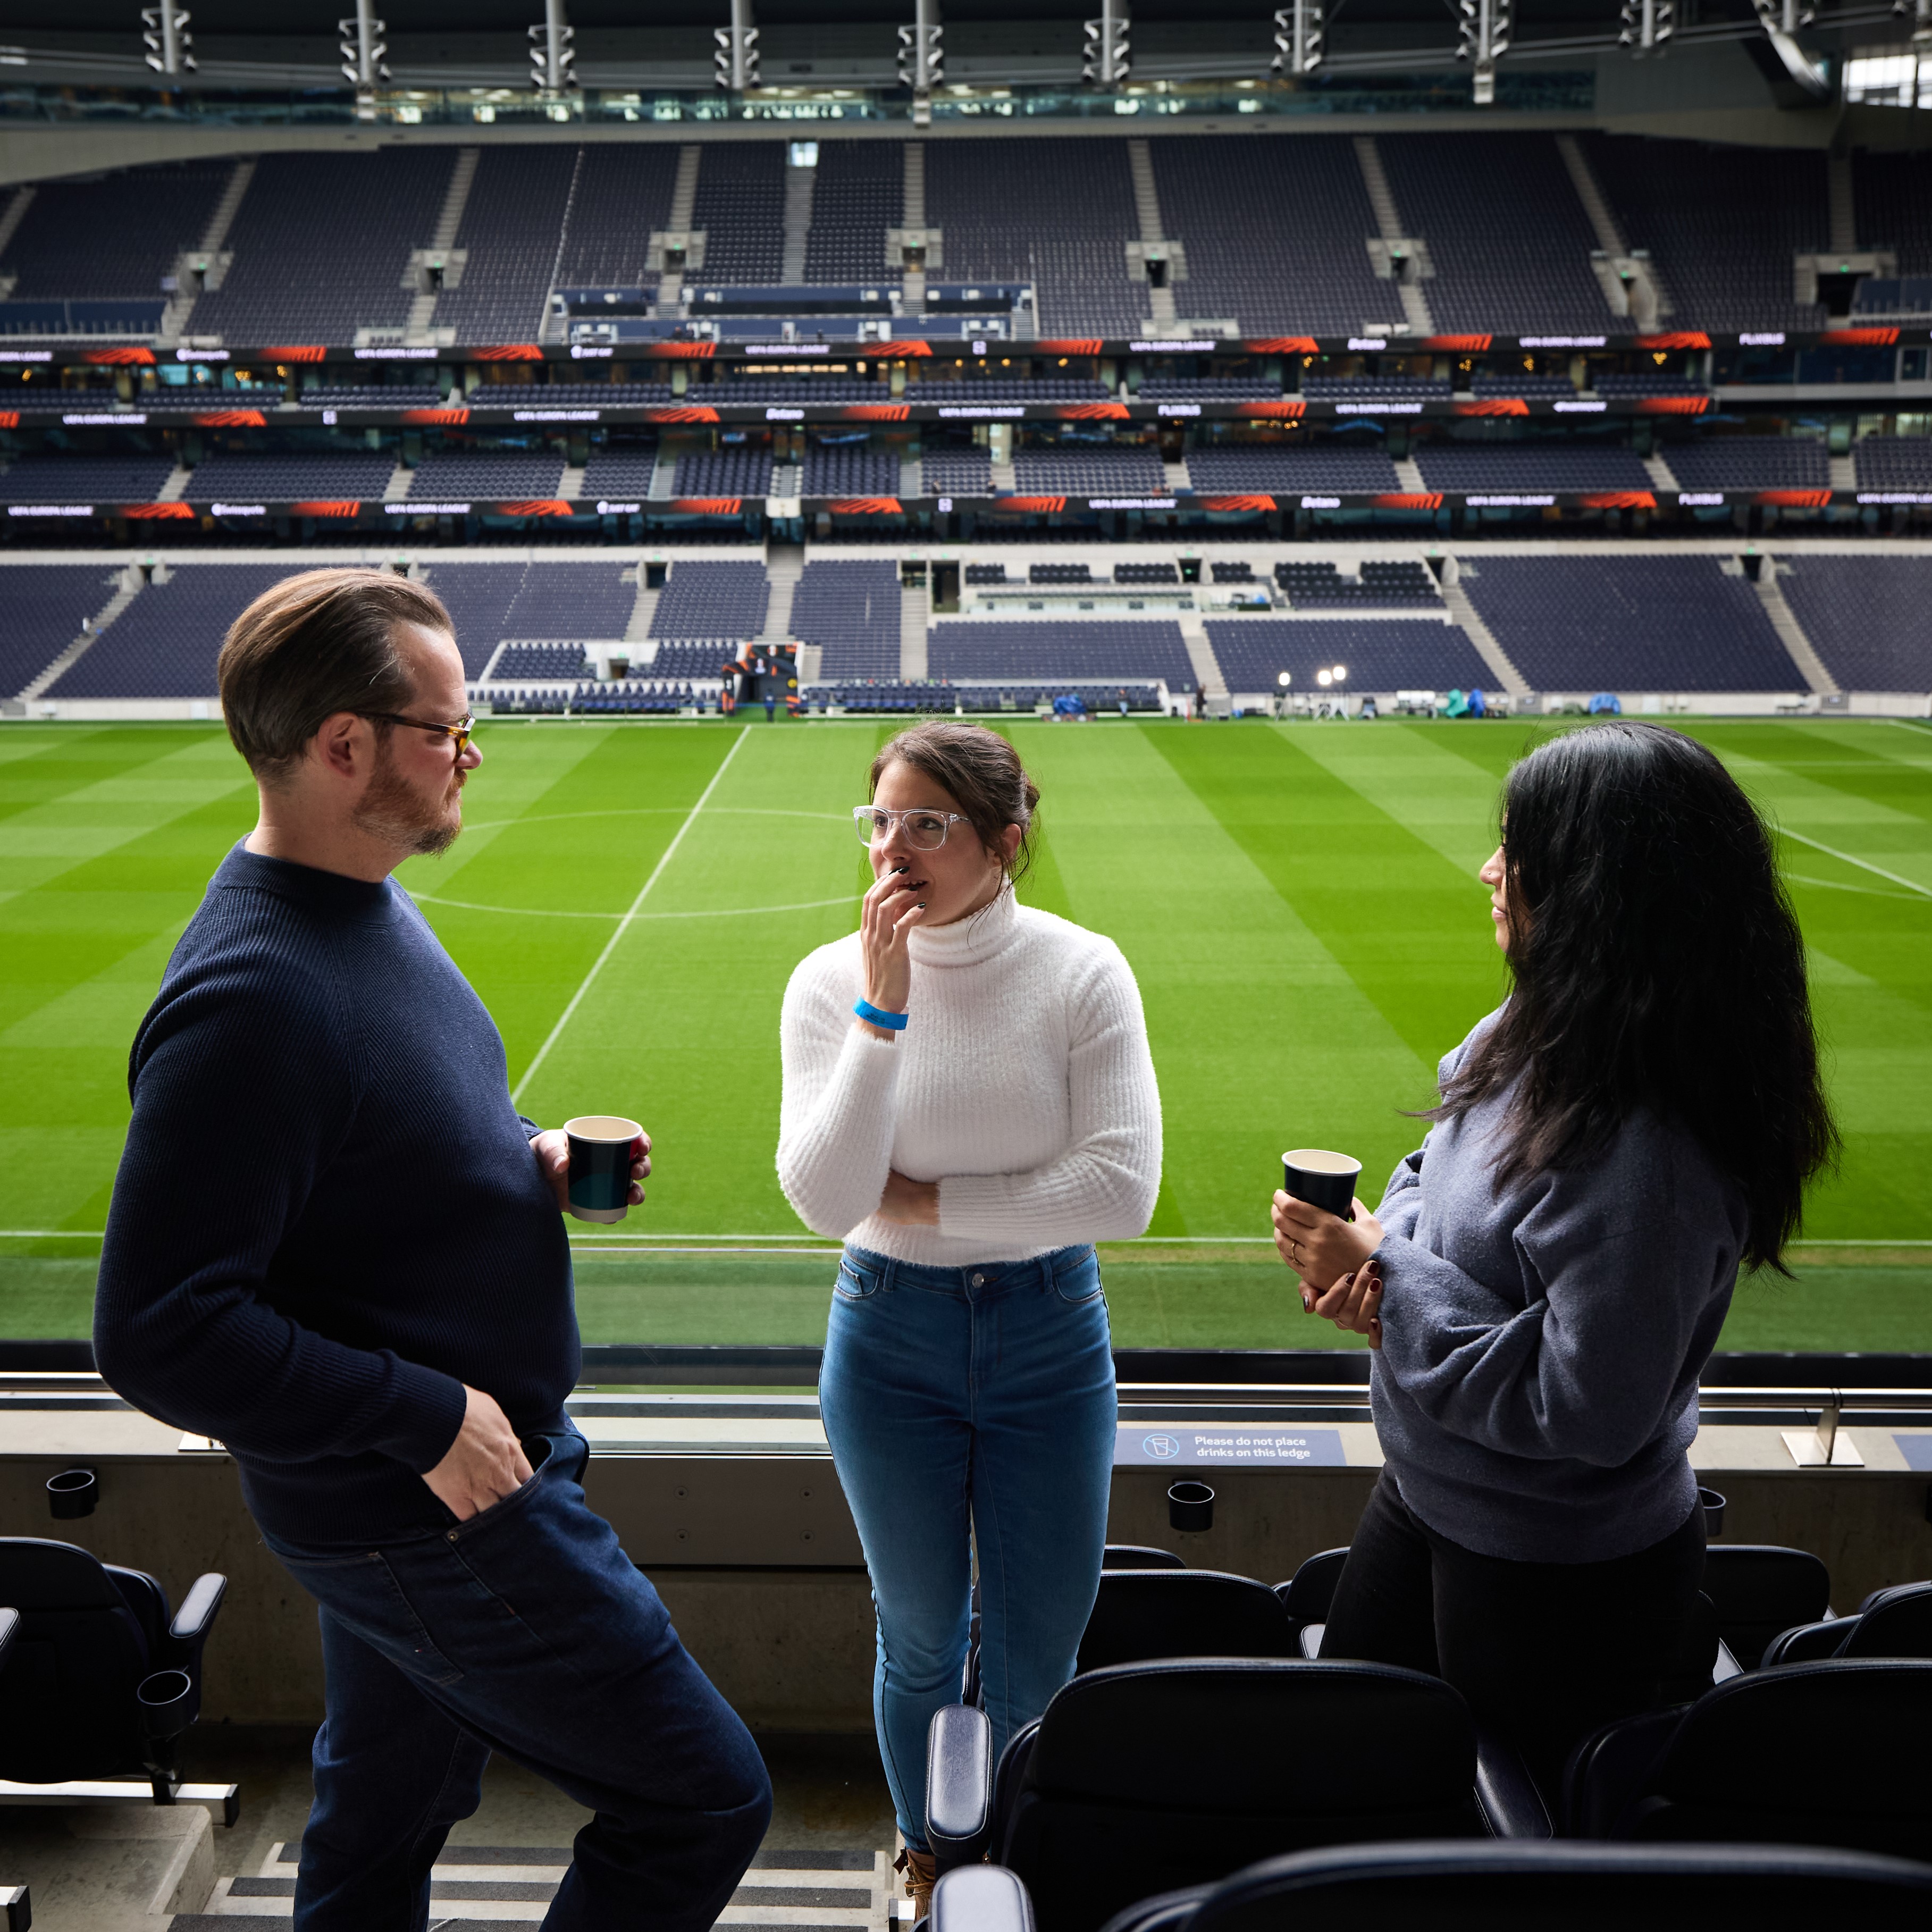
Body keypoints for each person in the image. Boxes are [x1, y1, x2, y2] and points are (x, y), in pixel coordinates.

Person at [93, 569, 771, 1932]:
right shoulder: (255, 997)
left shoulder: (365, 908)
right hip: (432, 1510)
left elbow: (369, 1149)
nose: (472, 756)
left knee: (384, 1806)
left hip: (417, 1496)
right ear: (343, 746)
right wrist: (426, 1414)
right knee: (700, 1797)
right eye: (446, 731)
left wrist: (518, 1158)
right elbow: (159, 1325)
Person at [1270, 720, 1836, 1794]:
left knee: (1498, 1858)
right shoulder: (1536, 1029)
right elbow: (1430, 1160)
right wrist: (1377, 1257)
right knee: (1344, 1785)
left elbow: (1590, 1405)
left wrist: (1388, 1281)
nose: (1488, 869)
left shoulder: (1648, 1147)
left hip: (1555, 1578)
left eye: (1515, 851)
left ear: (1590, 889)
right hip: (1429, 1499)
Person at [776, 721, 1162, 1913]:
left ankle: (1014, 1852)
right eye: (879, 820)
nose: (892, 850)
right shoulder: (829, 979)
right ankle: (929, 1852)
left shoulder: (1079, 968)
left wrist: (926, 1198)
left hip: (1051, 1334)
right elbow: (826, 1197)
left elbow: (1122, 1188)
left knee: (1040, 1652)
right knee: (922, 1638)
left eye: (927, 825)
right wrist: (882, 1013)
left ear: (1003, 840)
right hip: (887, 1335)